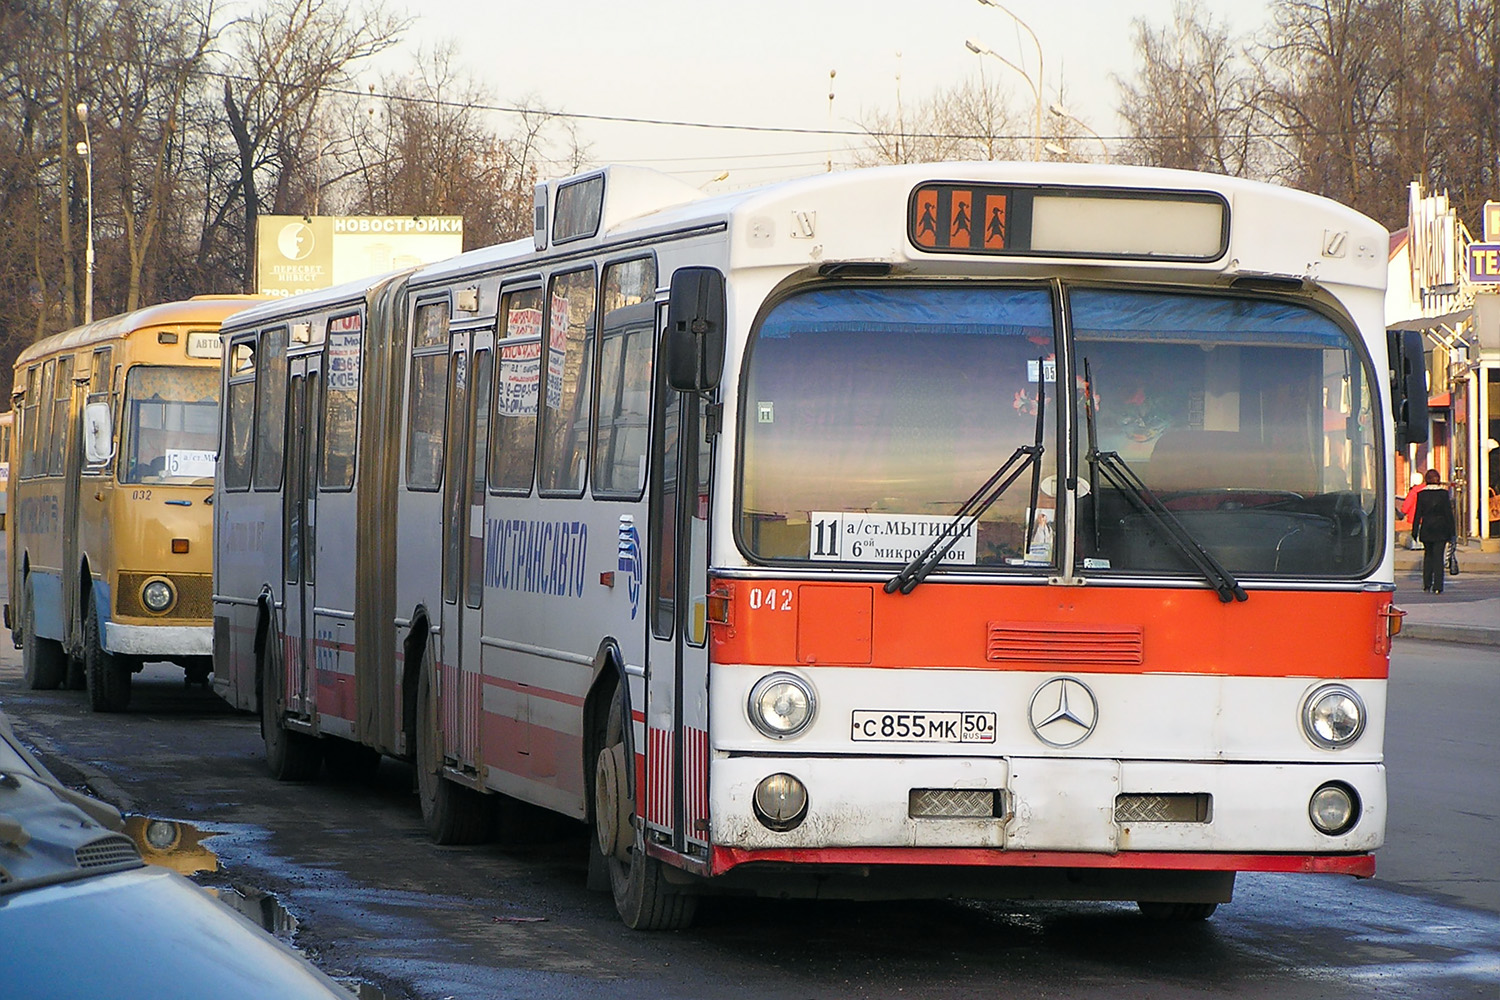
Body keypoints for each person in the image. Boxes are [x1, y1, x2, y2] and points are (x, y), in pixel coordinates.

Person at [1410, 468, 1456, 594]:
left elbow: (1418, 514)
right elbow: (1448, 514)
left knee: (1428, 556)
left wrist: (1415, 530)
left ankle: (1427, 584)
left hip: (1427, 528)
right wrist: (1452, 532)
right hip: (1441, 529)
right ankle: (1438, 586)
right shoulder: (1443, 494)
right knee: (1438, 557)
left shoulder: (1421, 494)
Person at [1400, 474, 1423, 549]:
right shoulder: (1425, 489)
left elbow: (1407, 504)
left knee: (1416, 529)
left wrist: (1403, 511)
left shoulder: (1413, 491)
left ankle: (1416, 543)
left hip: (1414, 515)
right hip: (1425, 515)